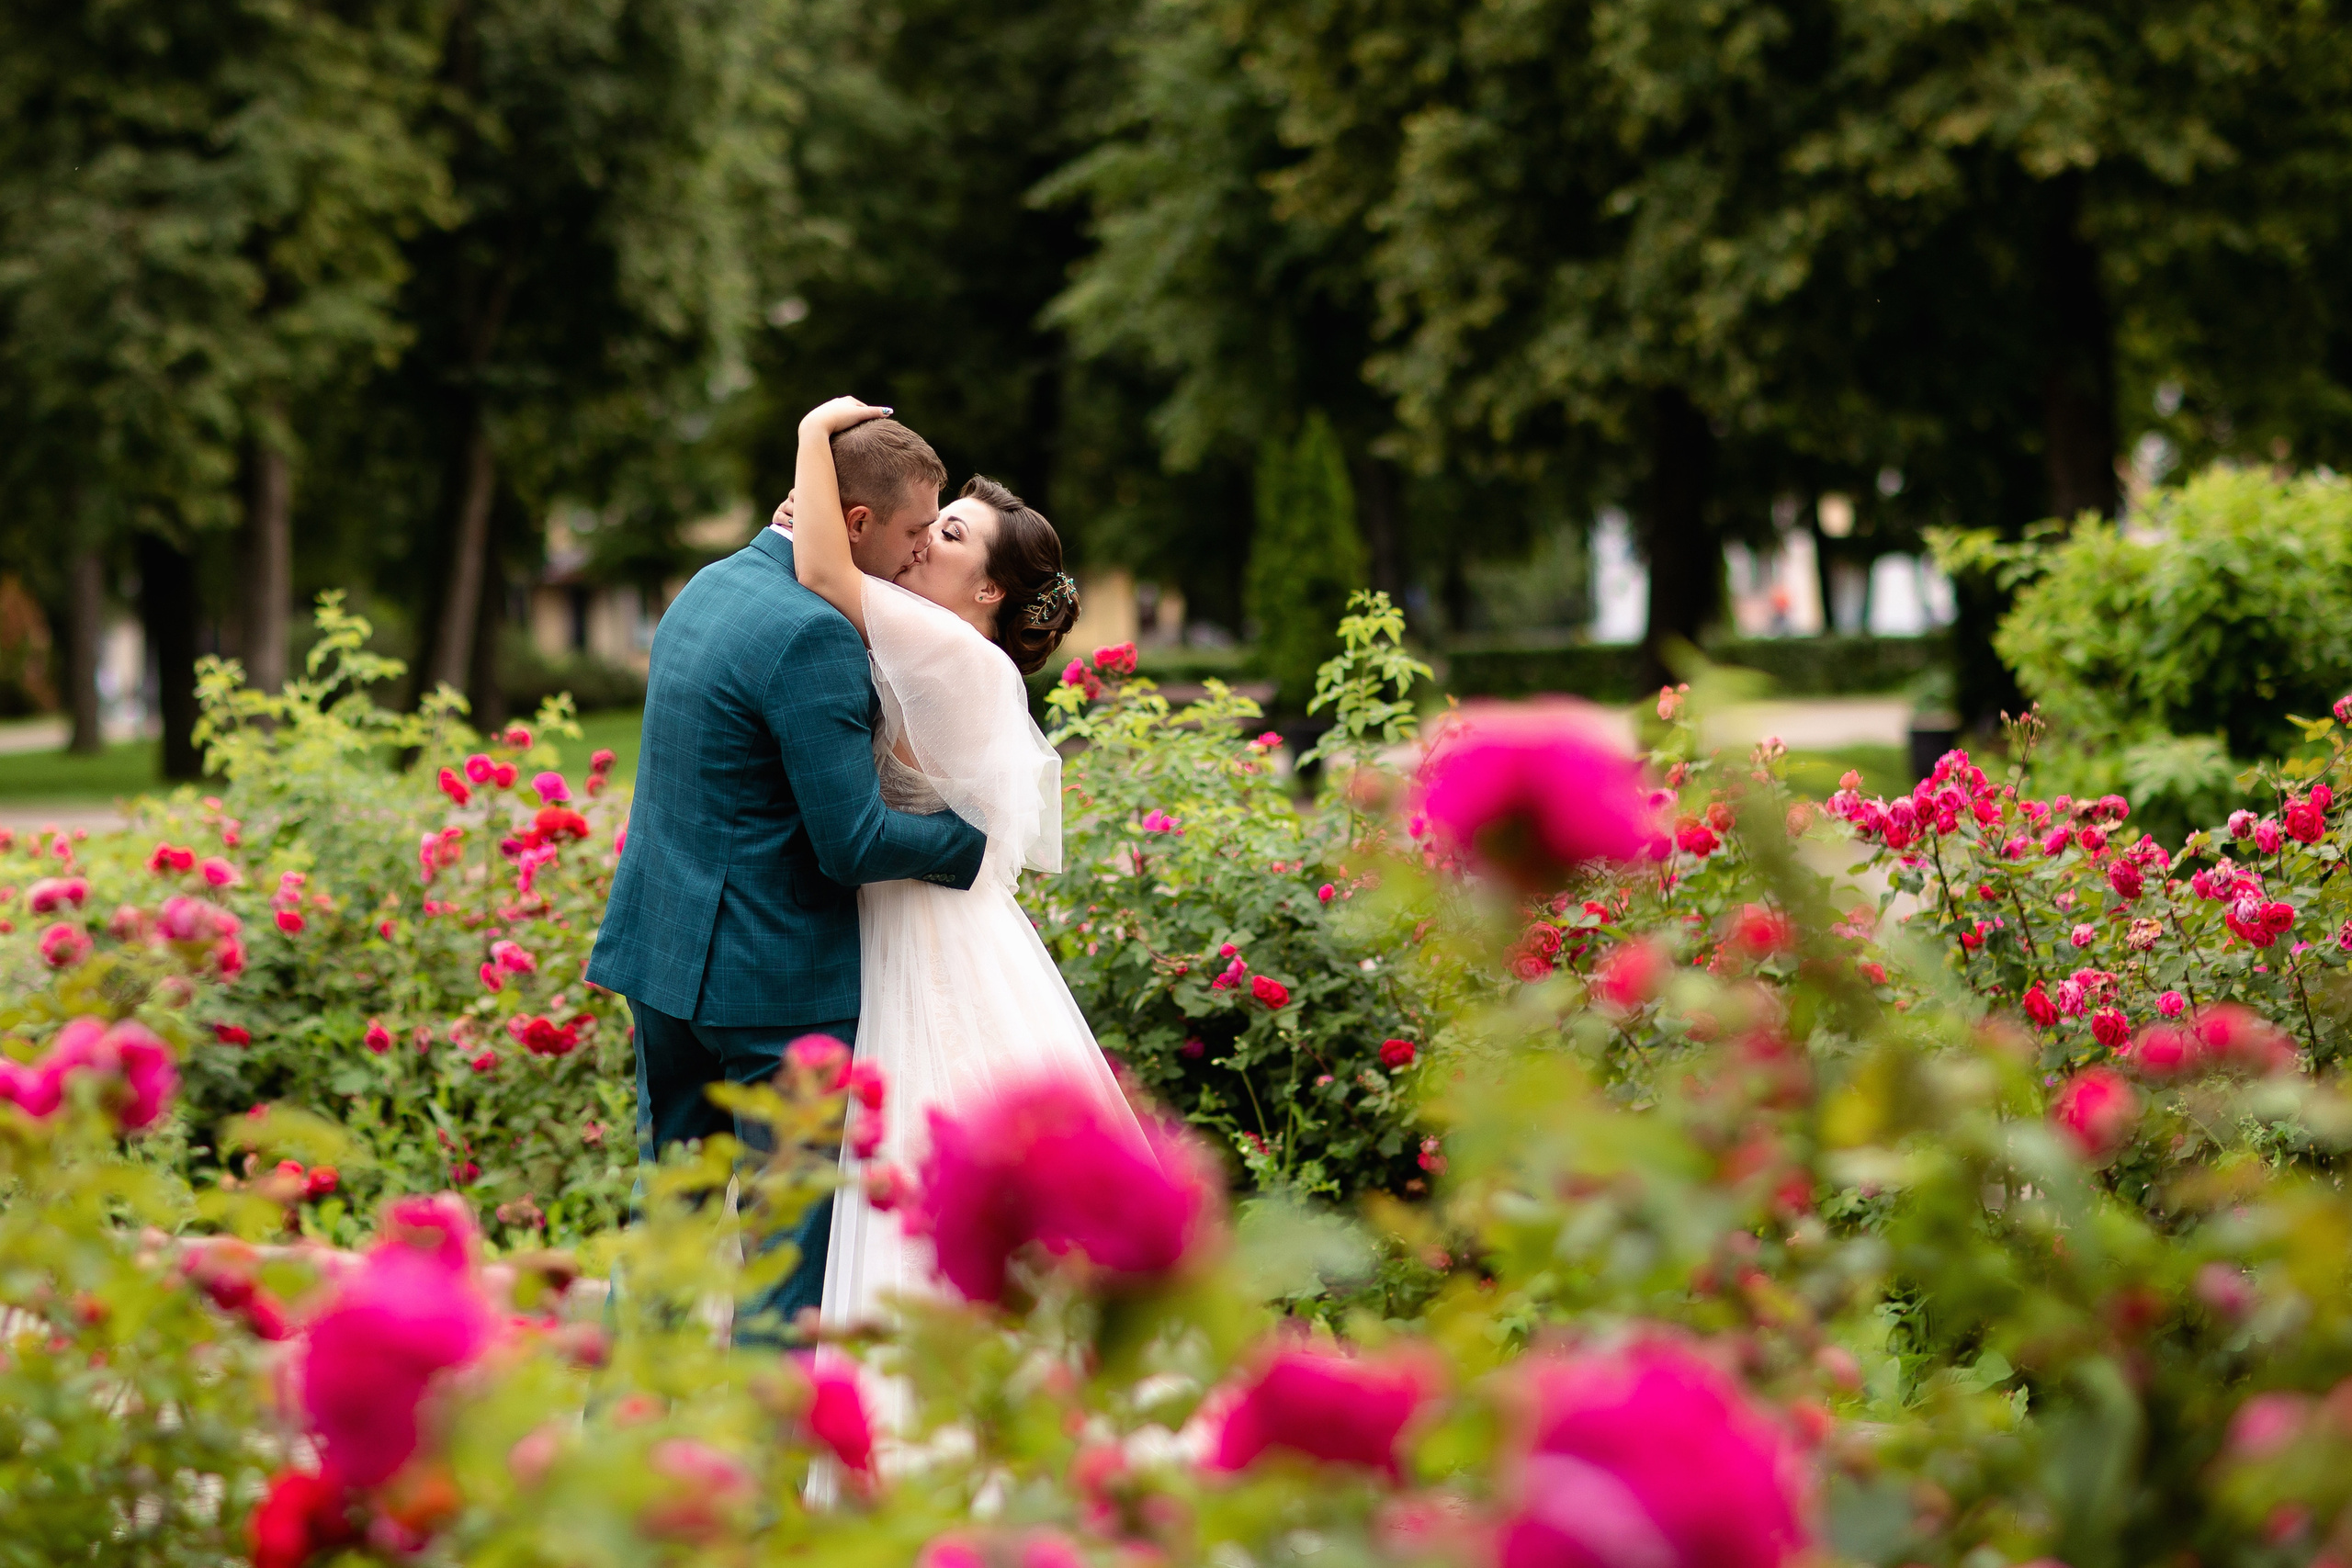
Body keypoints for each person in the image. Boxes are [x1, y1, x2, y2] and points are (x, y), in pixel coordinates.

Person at [586, 414, 988, 1340]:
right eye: (914, 529)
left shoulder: (707, 586)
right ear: (854, 521)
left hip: (663, 961)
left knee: (667, 1228)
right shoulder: (816, 636)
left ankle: (620, 1428)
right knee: (783, 1258)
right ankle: (764, 1467)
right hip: (770, 989)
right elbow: (850, 842)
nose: (922, 547)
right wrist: (967, 847)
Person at [783, 395, 1148, 1332]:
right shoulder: (941, 643)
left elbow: (824, 566)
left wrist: (814, 436)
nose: (920, 542)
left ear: (987, 592)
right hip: (934, 912)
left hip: (921, 925)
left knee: (922, 1130)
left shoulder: (951, 650)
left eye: (945, 533)